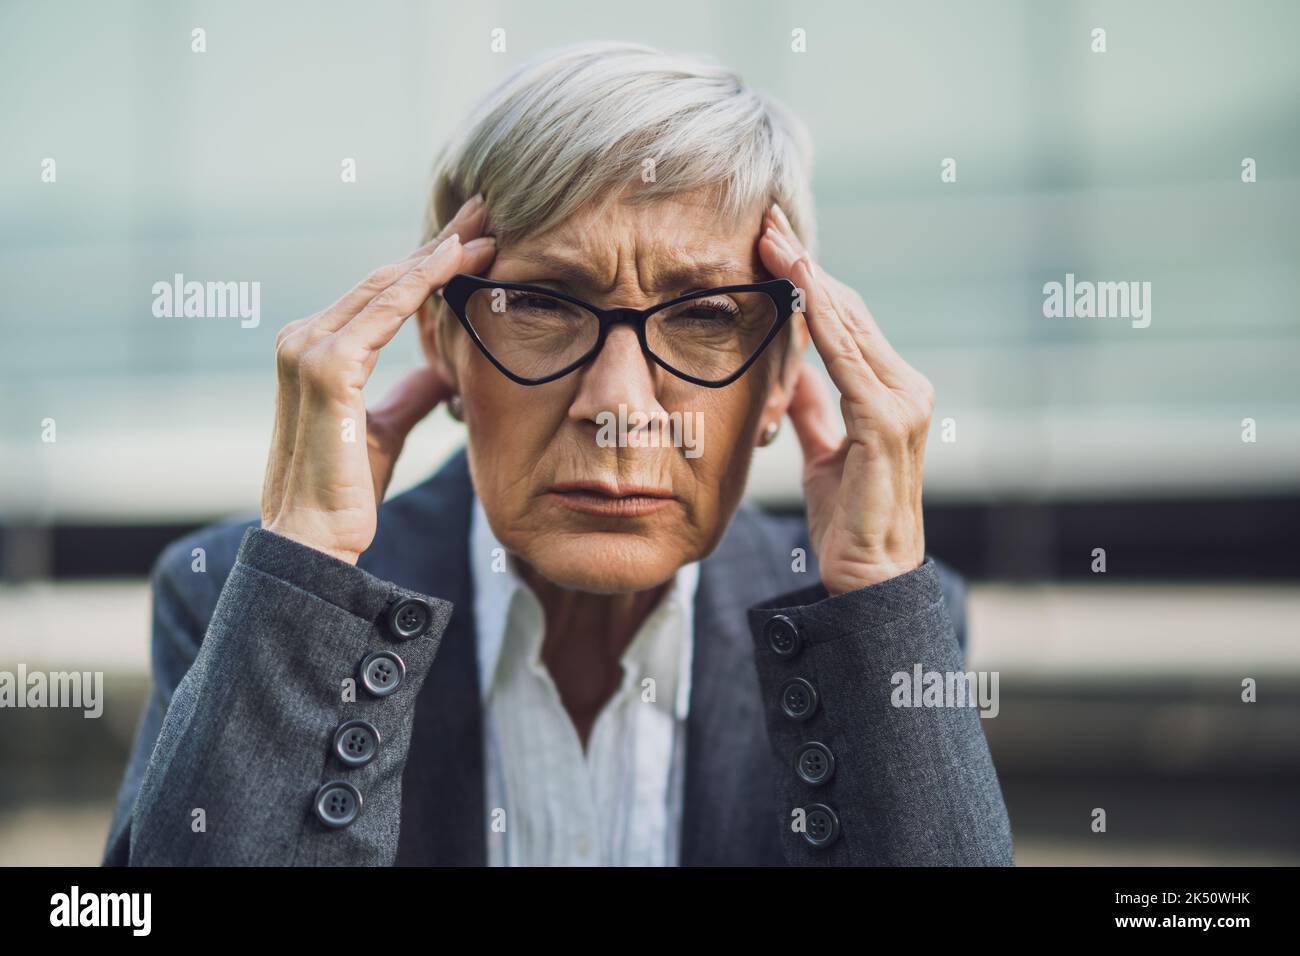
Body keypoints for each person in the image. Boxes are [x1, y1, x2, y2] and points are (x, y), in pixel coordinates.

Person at [103, 40, 1013, 866]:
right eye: (542, 305)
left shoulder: (872, 623)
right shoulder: (242, 599)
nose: (616, 407)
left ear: (781, 377)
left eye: (704, 316)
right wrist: (303, 570)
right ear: (443, 342)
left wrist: (882, 593)